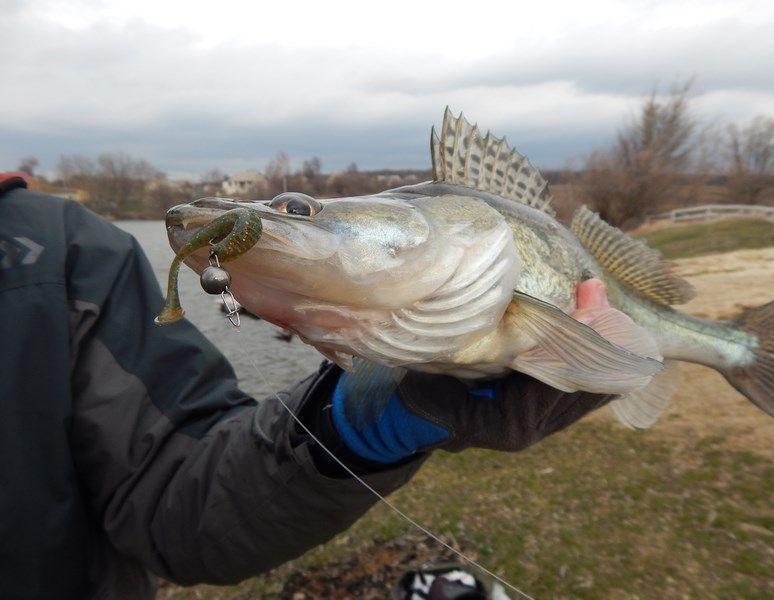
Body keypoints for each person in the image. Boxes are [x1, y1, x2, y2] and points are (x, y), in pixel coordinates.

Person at [0, 174, 611, 599]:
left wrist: (345, 432)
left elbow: (172, 499)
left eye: (300, 211)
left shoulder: (64, 253)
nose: (281, 223)